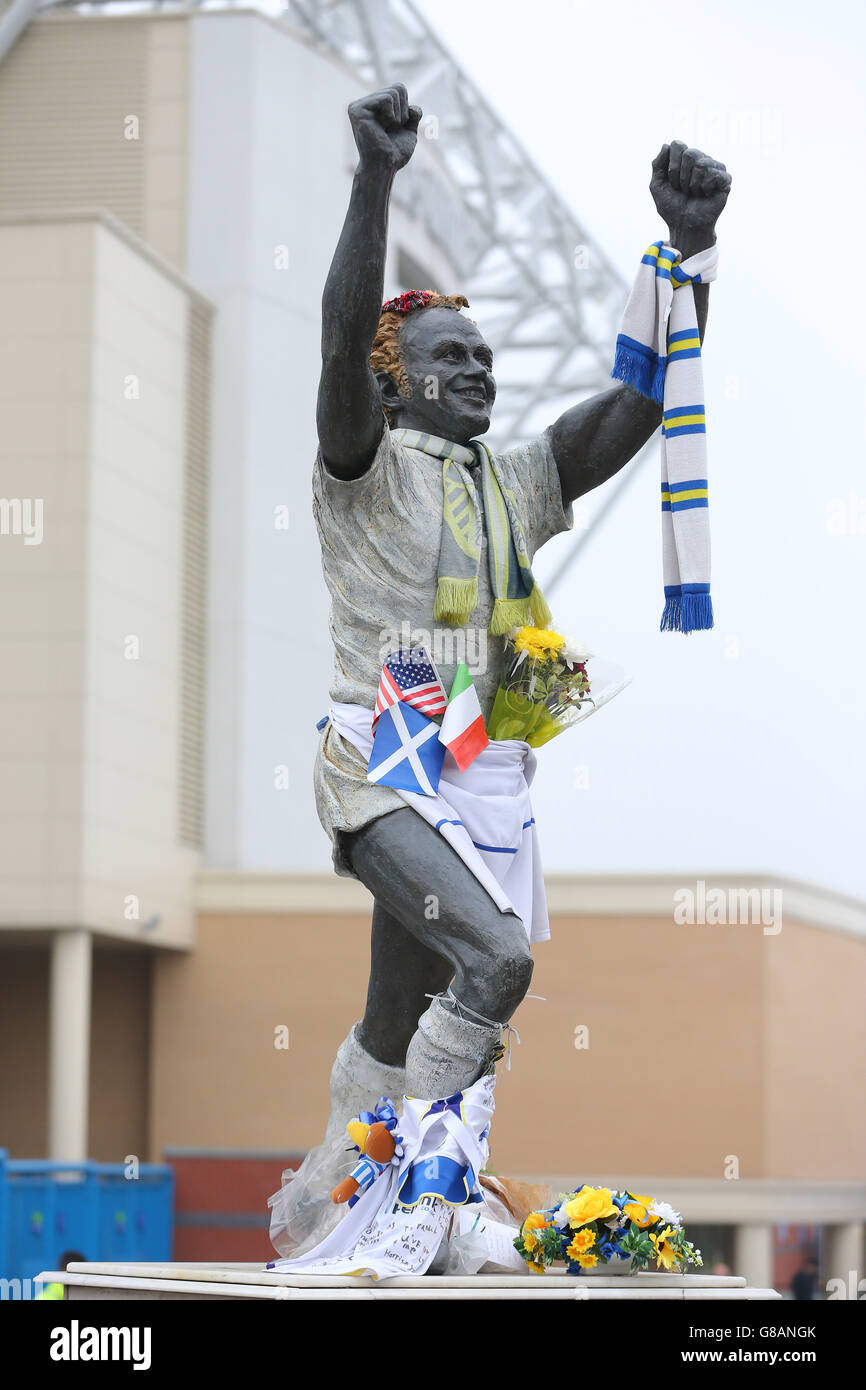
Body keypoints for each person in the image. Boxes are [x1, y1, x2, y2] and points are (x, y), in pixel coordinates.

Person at [284, 84, 730, 1250]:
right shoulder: (362, 464)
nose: (479, 369)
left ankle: (341, 1189)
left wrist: (685, 257)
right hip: (381, 756)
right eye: (450, 356)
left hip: (481, 765)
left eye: (486, 354)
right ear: (393, 380)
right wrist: (375, 178)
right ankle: (416, 1208)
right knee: (493, 960)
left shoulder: (509, 480)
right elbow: (340, 336)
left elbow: (631, 405)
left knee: (399, 1009)